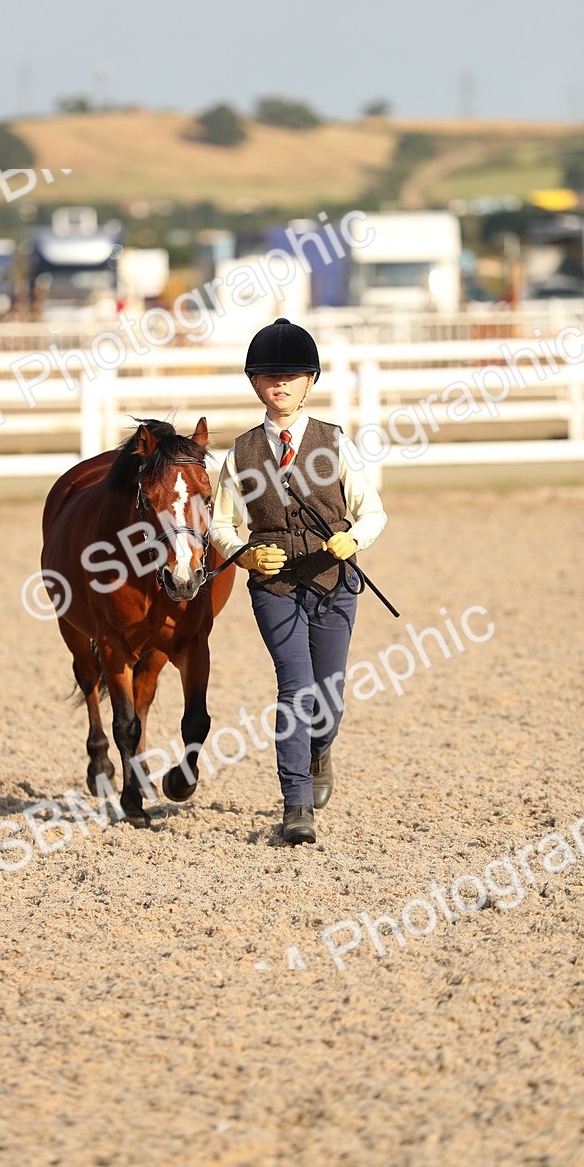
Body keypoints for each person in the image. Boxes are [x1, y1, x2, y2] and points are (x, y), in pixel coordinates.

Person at [209, 318, 387, 846]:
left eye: (290, 376)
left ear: (309, 381)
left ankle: (319, 749)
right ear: (254, 383)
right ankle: (296, 805)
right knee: (295, 688)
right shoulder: (239, 454)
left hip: (334, 581)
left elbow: (372, 511)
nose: (279, 385)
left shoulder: (334, 443)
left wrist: (352, 540)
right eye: (268, 377)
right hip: (275, 589)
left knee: (327, 699)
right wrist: (241, 555)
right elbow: (220, 523)